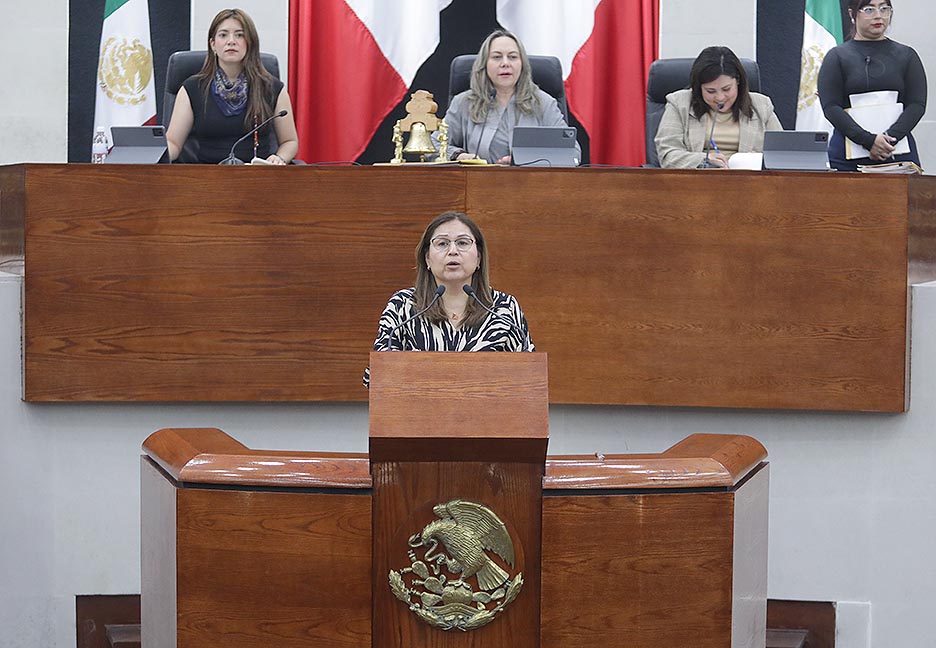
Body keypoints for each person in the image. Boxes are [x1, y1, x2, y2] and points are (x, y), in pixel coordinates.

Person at [363, 211, 534, 387]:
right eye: (442, 243)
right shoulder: (403, 305)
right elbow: (377, 377)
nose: (453, 251)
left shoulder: (504, 308)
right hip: (418, 405)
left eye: (462, 243)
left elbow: (528, 378)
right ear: (427, 258)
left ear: (479, 258)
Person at [166, 8, 299, 164]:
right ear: (213, 44)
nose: (231, 41)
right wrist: (155, 156)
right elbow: (174, 142)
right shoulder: (192, 89)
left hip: (257, 173)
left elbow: (289, 141)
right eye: (223, 35)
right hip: (207, 174)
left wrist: (280, 158)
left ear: (250, 43)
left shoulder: (272, 88)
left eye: (239, 35)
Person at [817, 0, 926, 171]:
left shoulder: (907, 55)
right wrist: (868, 140)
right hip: (847, 155)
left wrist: (889, 139)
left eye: (884, 9)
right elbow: (831, 106)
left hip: (897, 152)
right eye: (869, 9)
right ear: (852, 14)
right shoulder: (836, 57)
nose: (878, 15)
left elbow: (916, 104)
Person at [441, 30, 579, 164]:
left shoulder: (543, 103)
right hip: (478, 179)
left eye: (512, 57)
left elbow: (573, 152)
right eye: (497, 57)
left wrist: (527, 160)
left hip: (531, 179)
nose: (505, 63)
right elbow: (435, 145)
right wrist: (458, 155)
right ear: (484, 64)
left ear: (522, 64)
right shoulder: (464, 103)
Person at [655, 46, 782, 169]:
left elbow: (781, 154)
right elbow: (667, 155)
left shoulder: (761, 105)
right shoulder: (679, 103)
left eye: (726, 89)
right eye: (710, 91)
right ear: (699, 87)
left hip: (748, 180)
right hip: (698, 179)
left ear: (738, 81)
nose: (720, 98)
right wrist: (703, 160)